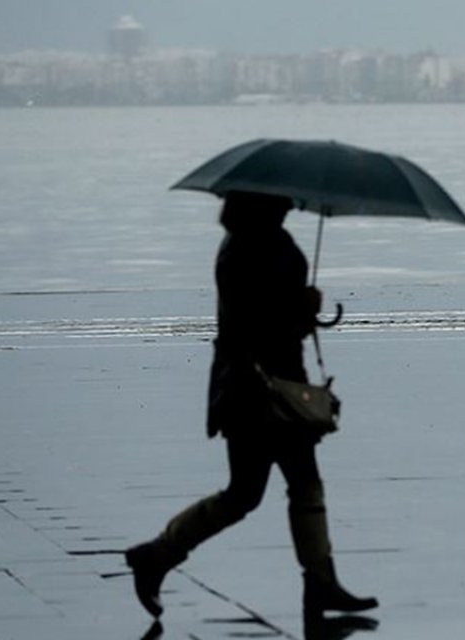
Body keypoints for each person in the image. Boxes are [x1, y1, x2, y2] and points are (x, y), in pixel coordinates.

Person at [124, 191, 377, 620]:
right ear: (262, 204)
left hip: (258, 386)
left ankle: (318, 582)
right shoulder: (249, 250)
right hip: (258, 390)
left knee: (276, 486)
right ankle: (160, 554)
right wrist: (304, 309)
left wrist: (301, 310)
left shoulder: (254, 242)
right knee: (261, 489)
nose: (292, 204)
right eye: (282, 200)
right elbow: (262, 326)